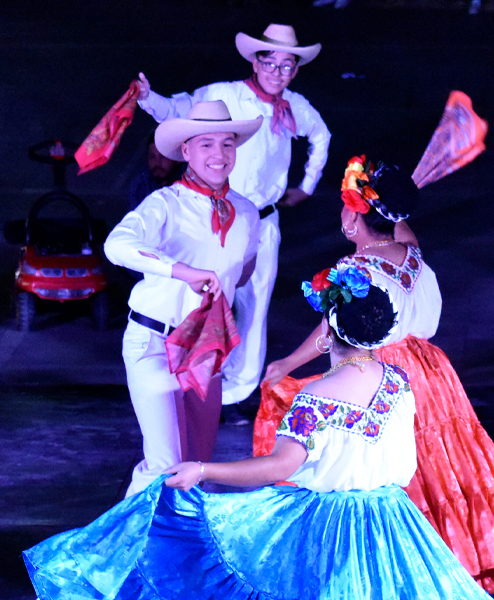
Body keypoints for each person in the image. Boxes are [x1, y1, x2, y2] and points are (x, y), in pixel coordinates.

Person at [24, 267, 494, 600]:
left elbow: (280, 466)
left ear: (328, 333)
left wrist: (204, 469)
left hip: (330, 529)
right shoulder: (398, 381)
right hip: (395, 521)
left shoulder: (318, 397)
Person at [253, 157, 494, 593]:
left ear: (353, 215)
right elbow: (402, 227)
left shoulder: (356, 270)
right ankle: (446, 569)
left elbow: (332, 328)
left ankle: (398, 575)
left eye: (345, 207)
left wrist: (285, 365)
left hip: (384, 373)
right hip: (432, 373)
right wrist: (391, 200)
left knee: (390, 474)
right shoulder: (412, 254)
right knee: (439, 467)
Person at [136, 24, 331, 418]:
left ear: (295, 71)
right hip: (213, 219)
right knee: (204, 299)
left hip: (262, 222)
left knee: (253, 305)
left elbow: (322, 136)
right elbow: (176, 110)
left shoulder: (295, 107)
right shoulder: (223, 94)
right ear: (256, 63)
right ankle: (190, 381)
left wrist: (307, 185)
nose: (278, 72)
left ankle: (237, 392)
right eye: (271, 63)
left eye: (287, 65)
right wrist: (147, 98)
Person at [103, 101, 261, 497]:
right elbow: (116, 245)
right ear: (186, 151)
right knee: (164, 465)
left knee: (195, 468)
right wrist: (183, 272)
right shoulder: (166, 204)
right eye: (206, 144)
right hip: (154, 343)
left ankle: (179, 551)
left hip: (205, 351)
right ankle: (119, 552)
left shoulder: (246, 212)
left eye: (227, 144)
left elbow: (243, 269)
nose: (219, 155)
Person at [125, 133, 182, 213]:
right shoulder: (141, 185)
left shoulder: (190, 179)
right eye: (152, 157)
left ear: (177, 158)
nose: (157, 162)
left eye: (162, 157)